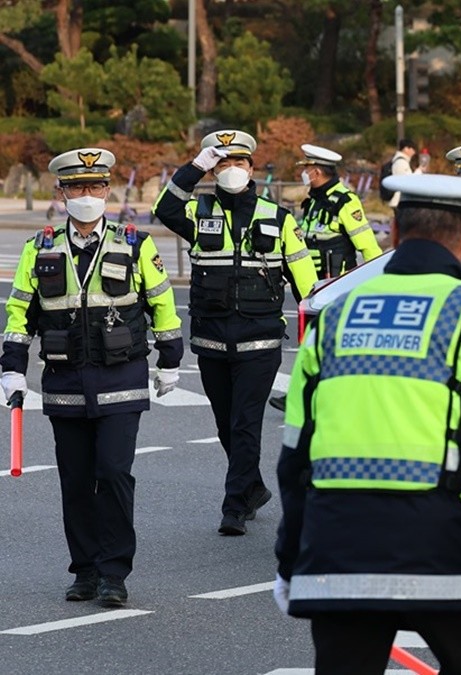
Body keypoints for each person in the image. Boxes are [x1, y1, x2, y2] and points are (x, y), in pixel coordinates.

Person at [274, 173, 461, 675]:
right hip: (444, 542)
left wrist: (289, 559)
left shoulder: (336, 318)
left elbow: (297, 453)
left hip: (341, 544)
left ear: (393, 232)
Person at [2, 148, 184, 607]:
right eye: (78, 187)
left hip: (120, 377)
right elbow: (20, 311)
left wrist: (170, 359)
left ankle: (113, 573)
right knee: (76, 481)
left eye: (96, 186)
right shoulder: (39, 248)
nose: (88, 195)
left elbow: (162, 302)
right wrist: (11, 369)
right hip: (64, 384)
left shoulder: (135, 243)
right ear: (61, 193)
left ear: (108, 190)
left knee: (115, 473)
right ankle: (84, 570)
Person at [152, 129, 317, 536]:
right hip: (211, 342)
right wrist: (194, 168)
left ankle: (233, 507)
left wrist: (318, 338)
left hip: (260, 343)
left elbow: (307, 287)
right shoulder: (199, 213)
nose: (230, 170)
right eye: (222, 163)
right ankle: (253, 488)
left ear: (251, 168)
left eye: (237, 163)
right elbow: (164, 208)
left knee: (245, 424)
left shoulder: (279, 219)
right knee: (227, 424)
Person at [295, 144, 383, 279]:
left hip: (337, 280)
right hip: (314, 279)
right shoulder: (314, 200)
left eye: (307, 170)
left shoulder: (345, 201)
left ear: (317, 172)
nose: (304, 174)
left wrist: (379, 278)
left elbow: (367, 244)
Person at [386, 138, 417, 209]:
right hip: (398, 200)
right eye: (412, 149)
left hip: (398, 200)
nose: (414, 152)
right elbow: (407, 181)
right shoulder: (401, 162)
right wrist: (419, 171)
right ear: (406, 149)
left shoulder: (400, 161)